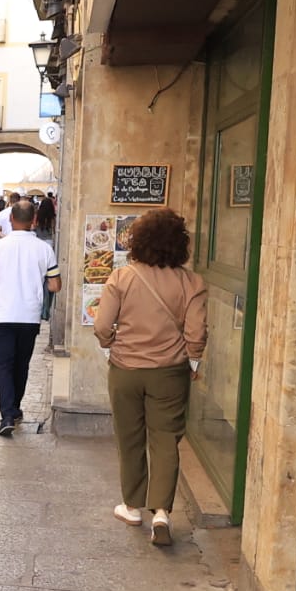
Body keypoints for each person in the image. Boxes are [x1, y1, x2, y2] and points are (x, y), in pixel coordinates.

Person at [94, 208, 208, 546]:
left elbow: (102, 326)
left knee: (130, 437)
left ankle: (132, 507)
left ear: (138, 241)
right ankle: (162, 512)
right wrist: (195, 362)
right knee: (165, 439)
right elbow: (196, 333)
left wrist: (109, 343)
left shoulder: (122, 277)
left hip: (126, 369)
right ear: (179, 245)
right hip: (170, 372)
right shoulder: (192, 282)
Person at [0, 200, 60, 437]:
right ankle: (14, 408)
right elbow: (55, 285)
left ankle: (7, 413)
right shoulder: (44, 249)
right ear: (33, 220)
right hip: (29, 316)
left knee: (3, 364)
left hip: (2, 315)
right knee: (21, 364)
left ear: (11, 220)